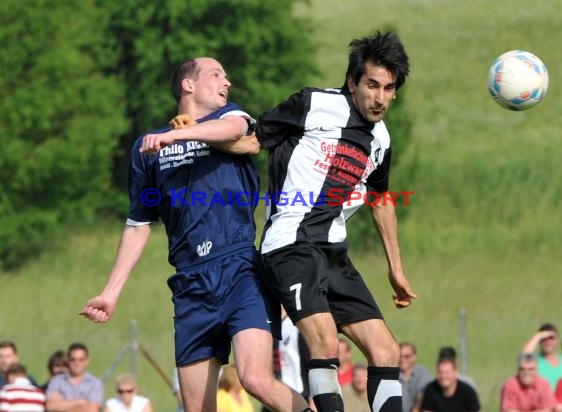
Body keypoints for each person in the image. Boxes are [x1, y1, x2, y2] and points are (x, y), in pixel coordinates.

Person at [79, 57, 309, 412]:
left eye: (226, 75)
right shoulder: (148, 149)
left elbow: (233, 131)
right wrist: (111, 293)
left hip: (240, 269)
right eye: (217, 74)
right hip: (190, 284)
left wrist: (176, 135)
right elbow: (138, 224)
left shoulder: (230, 118)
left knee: (255, 379)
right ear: (188, 84)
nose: (226, 82)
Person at [254, 30, 417, 412]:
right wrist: (195, 132)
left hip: (333, 254)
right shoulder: (313, 104)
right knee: (326, 343)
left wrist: (397, 270)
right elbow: (252, 138)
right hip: (290, 246)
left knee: (387, 350)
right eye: (372, 85)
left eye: (389, 88)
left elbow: (380, 200)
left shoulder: (381, 140)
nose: (380, 98)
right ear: (352, 82)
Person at [46, 342, 104, 412]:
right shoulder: (56, 381)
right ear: (68, 360)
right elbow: (51, 406)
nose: (77, 363)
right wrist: (79, 402)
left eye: (81, 360)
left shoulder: (95, 383)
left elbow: (92, 409)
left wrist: (62, 405)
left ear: (87, 361)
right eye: (73, 360)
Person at [0, 341, 36, 412]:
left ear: (16, 357)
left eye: (8, 356)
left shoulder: (30, 381)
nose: (4, 361)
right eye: (0, 356)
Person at [522, 323, 562, 391]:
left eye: (551, 338)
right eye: (544, 339)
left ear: (557, 341)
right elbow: (523, 356)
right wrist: (538, 336)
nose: (548, 342)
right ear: (539, 341)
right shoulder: (534, 361)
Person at [399, 342, 431, 412]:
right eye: (400, 356)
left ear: (414, 357)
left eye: (406, 356)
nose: (402, 359)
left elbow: (424, 394)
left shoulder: (422, 373)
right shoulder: (392, 376)